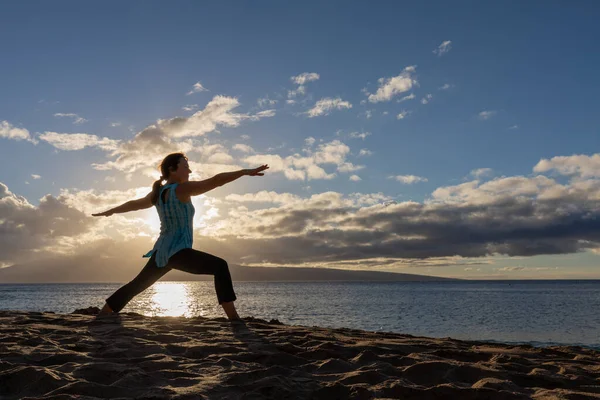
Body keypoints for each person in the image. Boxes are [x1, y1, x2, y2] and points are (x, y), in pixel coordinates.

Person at [92, 152, 269, 320]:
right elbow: (216, 181)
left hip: (161, 251)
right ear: (172, 169)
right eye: (185, 167)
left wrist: (111, 211)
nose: (189, 171)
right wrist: (245, 172)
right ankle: (234, 319)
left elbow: (134, 204)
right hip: (177, 251)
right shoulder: (181, 189)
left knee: (137, 285)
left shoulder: (158, 194)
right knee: (220, 267)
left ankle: (104, 314)